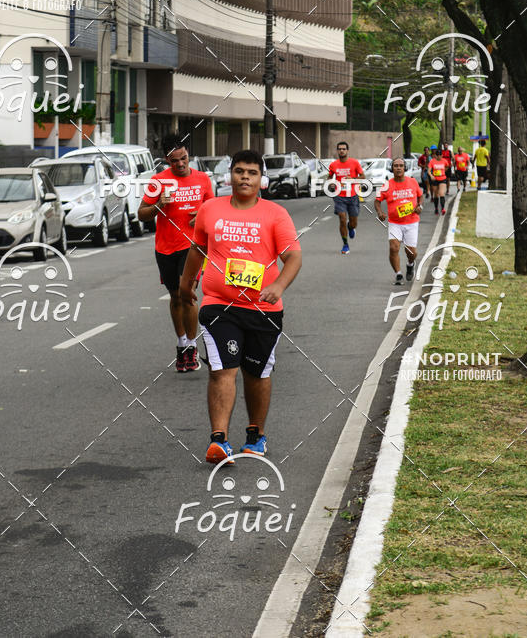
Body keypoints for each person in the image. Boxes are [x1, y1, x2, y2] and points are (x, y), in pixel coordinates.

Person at [180, 149, 302, 465]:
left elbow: (293, 257)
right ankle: (218, 440)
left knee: (256, 373)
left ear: (261, 179)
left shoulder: (276, 214)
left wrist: (278, 286)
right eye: (239, 171)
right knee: (223, 369)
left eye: (251, 172)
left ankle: (255, 436)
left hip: (263, 310)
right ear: (230, 175)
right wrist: (185, 283)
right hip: (219, 305)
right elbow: (198, 248)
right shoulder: (210, 209)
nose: (245, 176)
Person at [138, 134, 213, 373]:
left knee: (186, 291)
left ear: (188, 155)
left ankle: (191, 346)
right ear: (166, 161)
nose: (180, 164)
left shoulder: (202, 179)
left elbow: (213, 208)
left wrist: (201, 212)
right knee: (175, 296)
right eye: (174, 161)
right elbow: (141, 214)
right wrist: (159, 204)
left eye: (184, 159)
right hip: (165, 247)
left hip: (193, 246)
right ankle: (182, 344)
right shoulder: (158, 181)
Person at [375, 158, 424, 285]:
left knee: (412, 253)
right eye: (395, 166)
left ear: (405, 168)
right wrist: (380, 212)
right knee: (394, 247)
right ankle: (398, 274)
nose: (398, 168)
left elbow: (420, 196)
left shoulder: (412, 182)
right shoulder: (387, 185)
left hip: (411, 222)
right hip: (395, 223)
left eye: (401, 166)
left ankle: (410, 264)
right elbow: (377, 201)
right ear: (392, 168)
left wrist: (420, 206)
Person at [328, 141, 365, 255]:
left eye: (344, 149)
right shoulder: (333, 165)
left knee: (353, 223)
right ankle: (345, 244)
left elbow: (363, 177)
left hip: (353, 196)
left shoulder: (354, 163)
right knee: (342, 218)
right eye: (339, 149)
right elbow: (329, 178)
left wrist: (353, 178)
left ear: (347, 151)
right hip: (339, 196)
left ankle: (351, 227)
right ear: (337, 151)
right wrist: (331, 184)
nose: (341, 151)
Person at [428, 148, 448, 215]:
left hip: (442, 178)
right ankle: (436, 208)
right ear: (435, 155)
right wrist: (431, 176)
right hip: (435, 179)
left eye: (440, 155)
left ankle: (442, 208)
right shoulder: (432, 161)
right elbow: (429, 171)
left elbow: (447, 166)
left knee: (441, 193)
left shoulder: (444, 161)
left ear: (442, 155)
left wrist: (444, 171)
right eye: (437, 155)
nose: (439, 156)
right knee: (436, 195)